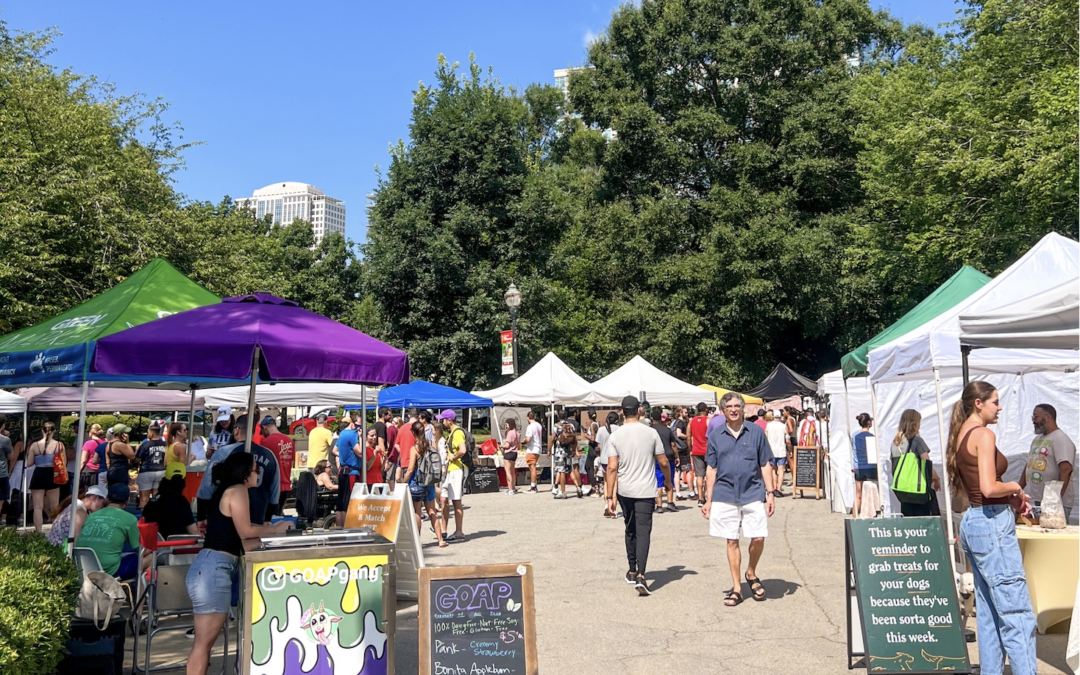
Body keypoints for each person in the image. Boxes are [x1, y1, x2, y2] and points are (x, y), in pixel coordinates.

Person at [948, 380, 1035, 675]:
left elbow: (978, 488)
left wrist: (1009, 497)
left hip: (977, 520)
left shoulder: (961, 433)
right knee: (1016, 613)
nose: (1000, 407)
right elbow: (988, 485)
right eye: (995, 402)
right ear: (978, 403)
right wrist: (1016, 489)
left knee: (988, 614)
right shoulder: (983, 433)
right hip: (991, 523)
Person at [186, 452, 292, 675]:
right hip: (214, 570)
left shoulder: (229, 491)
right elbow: (247, 531)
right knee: (203, 644)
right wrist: (276, 529)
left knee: (204, 644)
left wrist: (270, 535)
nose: (258, 473)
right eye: (256, 469)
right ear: (244, 474)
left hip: (212, 568)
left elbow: (244, 538)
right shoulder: (238, 491)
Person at [702, 392, 775, 607]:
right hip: (724, 494)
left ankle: (751, 572)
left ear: (743, 409)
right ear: (723, 410)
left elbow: (765, 464)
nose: (733, 409)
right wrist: (708, 499)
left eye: (737, 406)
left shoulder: (756, 433)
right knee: (731, 539)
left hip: (753, 491)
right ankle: (736, 588)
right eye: (729, 406)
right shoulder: (715, 436)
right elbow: (711, 468)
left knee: (759, 537)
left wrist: (770, 493)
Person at [605, 396, 669, 596]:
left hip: (625, 490)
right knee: (643, 531)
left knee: (630, 529)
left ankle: (632, 569)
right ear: (639, 411)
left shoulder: (615, 436)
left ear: (623, 411)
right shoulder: (650, 433)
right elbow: (663, 461)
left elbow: (612, 467)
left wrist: (609, 496)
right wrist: (667, 482)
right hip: (646, 490)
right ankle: (641, 574)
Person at [195, 415, 280, 526]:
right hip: (257, 519)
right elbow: (274, 495)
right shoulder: (270, 456)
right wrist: (267, 519)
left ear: (236, 431)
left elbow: (206, 489)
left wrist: (201, 517)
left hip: (224, 519)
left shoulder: (223, 453)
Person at [78, 483, 146, 580]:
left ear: (106, 498)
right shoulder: (130, 519)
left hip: (83, 567)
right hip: (109, 572)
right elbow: (141, 550)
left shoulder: (91, 516)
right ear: (128, 500)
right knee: (150, 557)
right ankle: (139, 592)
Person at [1020, 404, 1075, 518]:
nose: (1033, 421)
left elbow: (1066, 469)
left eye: (1036, 417)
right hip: (1039, 501)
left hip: (1055, 503)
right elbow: (1029, 466)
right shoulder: (1037, 439)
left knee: (1054, 534)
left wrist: (1056, 498)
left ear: (1048, 417)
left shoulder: (1060, 439)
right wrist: (1019, 489)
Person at [402, 421, 446, 548]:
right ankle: (440, 539)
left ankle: (417, 542)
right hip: (430, 482)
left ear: (413, 433)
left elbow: (410, 470)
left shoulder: (414, 449)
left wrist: (403, 482)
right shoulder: (431, 445)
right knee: (432, 511)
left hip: (418, 483)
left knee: (417, 512)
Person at [890, 409, 941, 517]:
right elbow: (927, 464)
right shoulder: (917, 441)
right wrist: (936, 478)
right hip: (919, 490)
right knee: (926, 520)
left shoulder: (895, 443)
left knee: (909, 521)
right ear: (915, 423)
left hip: (903, 490)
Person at [26, 421, 64, 533]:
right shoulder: (59, 445)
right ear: (54, 431)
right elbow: (63, 463)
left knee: (38, 507)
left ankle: (38, 531)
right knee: (54, 506)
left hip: (38, 474)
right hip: (53, 475)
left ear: (42, 431)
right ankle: (55, 530)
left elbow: (29, 463)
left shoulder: (34, 445)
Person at [438, 410, 467, 541]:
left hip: (456, 469)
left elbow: (463, 450)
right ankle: (443, 530)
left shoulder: (457, 433)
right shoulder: (452, 433)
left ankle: (459, 531)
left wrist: (453, 457)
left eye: (443, 420)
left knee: (456, 501)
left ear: (449, 420)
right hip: (450, 470)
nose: (442, 422)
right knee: (443, 498)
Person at [143, 474, 198, 538]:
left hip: (153, 544)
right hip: (177, 545)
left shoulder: (153, 500)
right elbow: (193, 531)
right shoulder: (181, 501)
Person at [260, 416, 295, 516]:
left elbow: (263, 466)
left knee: (269, 517)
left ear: (265, 427)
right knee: (279, 514)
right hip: (286, 485)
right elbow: (291, 463)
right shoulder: (290, 441)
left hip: (272, 486)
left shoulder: (266, 442)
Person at [334, 414, 362, 527]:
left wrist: (343, 455)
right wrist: (360, 437)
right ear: (351, 423)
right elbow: (360, 452)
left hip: (343, 470)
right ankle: (347, 528)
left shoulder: (341, 434)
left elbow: (334, 451)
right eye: (357, 425)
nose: (359, 428)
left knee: (341, 503)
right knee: (349, 502)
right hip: (352, 472)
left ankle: (340, 528)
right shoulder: (352, 434)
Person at [651, 408, 678, 512]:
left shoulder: (650, 430)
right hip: (668, 456)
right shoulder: (667, 429)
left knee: (658, 482)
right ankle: (670, 502)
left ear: (652, 418)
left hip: (655, 458)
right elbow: (673, 445)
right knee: (668, 480)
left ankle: (659, 505)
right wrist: (677, 457)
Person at [135, 423, 168, 507]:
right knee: (157, 498)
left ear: (152, 433)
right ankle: (156, 516)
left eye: (148, 432)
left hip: (146, 471)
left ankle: (143, 517)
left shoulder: (145, 445)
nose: (147, 434)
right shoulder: (165, 444)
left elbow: (137, 459)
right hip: (161, 471)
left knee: (144, 499)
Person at [549, 415, 582, 499]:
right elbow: (574, 439)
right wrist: (574, 450)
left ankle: (563, 492)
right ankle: (578, 487)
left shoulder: (556, 426)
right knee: (570, 470)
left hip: (560, 451)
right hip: (568, 451)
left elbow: (552, 439)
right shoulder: (571, 425)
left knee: (561, 471)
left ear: (558, 416)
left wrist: (549, 450)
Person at [851, 413, 877, 518]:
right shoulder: (872, 437)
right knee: (874, 491)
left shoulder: (854, 435)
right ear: (869, 422)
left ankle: (854, 518)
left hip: (858, 468)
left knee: (858, 495)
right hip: (871, 468)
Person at [597, 412, 620, 517]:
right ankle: (613, 508)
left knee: (606, 483)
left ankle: (607, 504)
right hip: (616, 459)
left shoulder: (601, 429)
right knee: (615, 484)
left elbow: (598, 445)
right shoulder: (620, 429)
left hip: (604, 459)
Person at [764, 412, 789, 498]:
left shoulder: (769, 425)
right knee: (781, 470)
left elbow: (765, 437)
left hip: (771, 450)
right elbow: (787, 439)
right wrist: (789, 449)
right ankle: (779, 488)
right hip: (781, 450)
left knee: (773, 470)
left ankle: (774, 487)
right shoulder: (783, 426)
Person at [689, 402, 710, 506]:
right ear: (705, 409)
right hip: (707, 450)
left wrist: (690, 448)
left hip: (696, 450)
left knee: (699, 475)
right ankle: (707, 496)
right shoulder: (708, 420)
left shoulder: (691, 421)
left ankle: (700, 498)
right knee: (708, 474)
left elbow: (689, 436)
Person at [79, 423, 107, 489]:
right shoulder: (105, 442)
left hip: (89, 471)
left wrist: (78, 471)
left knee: (89, 492)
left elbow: (83, 460)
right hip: (102, 469)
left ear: (90, 432)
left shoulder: (88, 443)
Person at [671, 407, 690, 498]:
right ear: (680, 413)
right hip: (682, 448)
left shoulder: (673, 422)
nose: (687, 413)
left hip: (676, 448)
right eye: (685, 412)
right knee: (688, 470)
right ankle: (691, 492)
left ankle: (678, 493)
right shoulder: (680, 423)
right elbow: (679, 433)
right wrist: (688, 437)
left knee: (677, 471)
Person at [395, 409, 418, 483]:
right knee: (415, 490)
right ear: (418, 417)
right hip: (416, 463)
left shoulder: (402, 428)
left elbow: (396, 445)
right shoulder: (418, 428)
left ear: (409, 416)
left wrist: (403, 452)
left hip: (404, 461)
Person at [523, 411, 543, 492]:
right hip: (538, 447)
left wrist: (523, 441)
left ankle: (533, 486)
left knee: (532, 467)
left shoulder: (530, 426)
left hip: (532, 448)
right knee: (533, 467)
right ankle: (533, 485)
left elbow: (528, 439)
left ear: (528, 418)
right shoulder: (539, 425)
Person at [500, 418, 521, 496]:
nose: (506, 426)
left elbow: (507, 445)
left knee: (508, 472)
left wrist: (501, 446)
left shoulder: (510, 433)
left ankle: (510, 489)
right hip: (514, 453)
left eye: (507, 424)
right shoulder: (517, 433)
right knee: (512, 472)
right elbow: (518, 444)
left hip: (508, 453)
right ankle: (513, 488)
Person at [0, 415, 12, 517]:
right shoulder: (5, 440)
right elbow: (10, 456)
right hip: (1, 474)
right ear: (3, 425)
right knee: (0, 500)